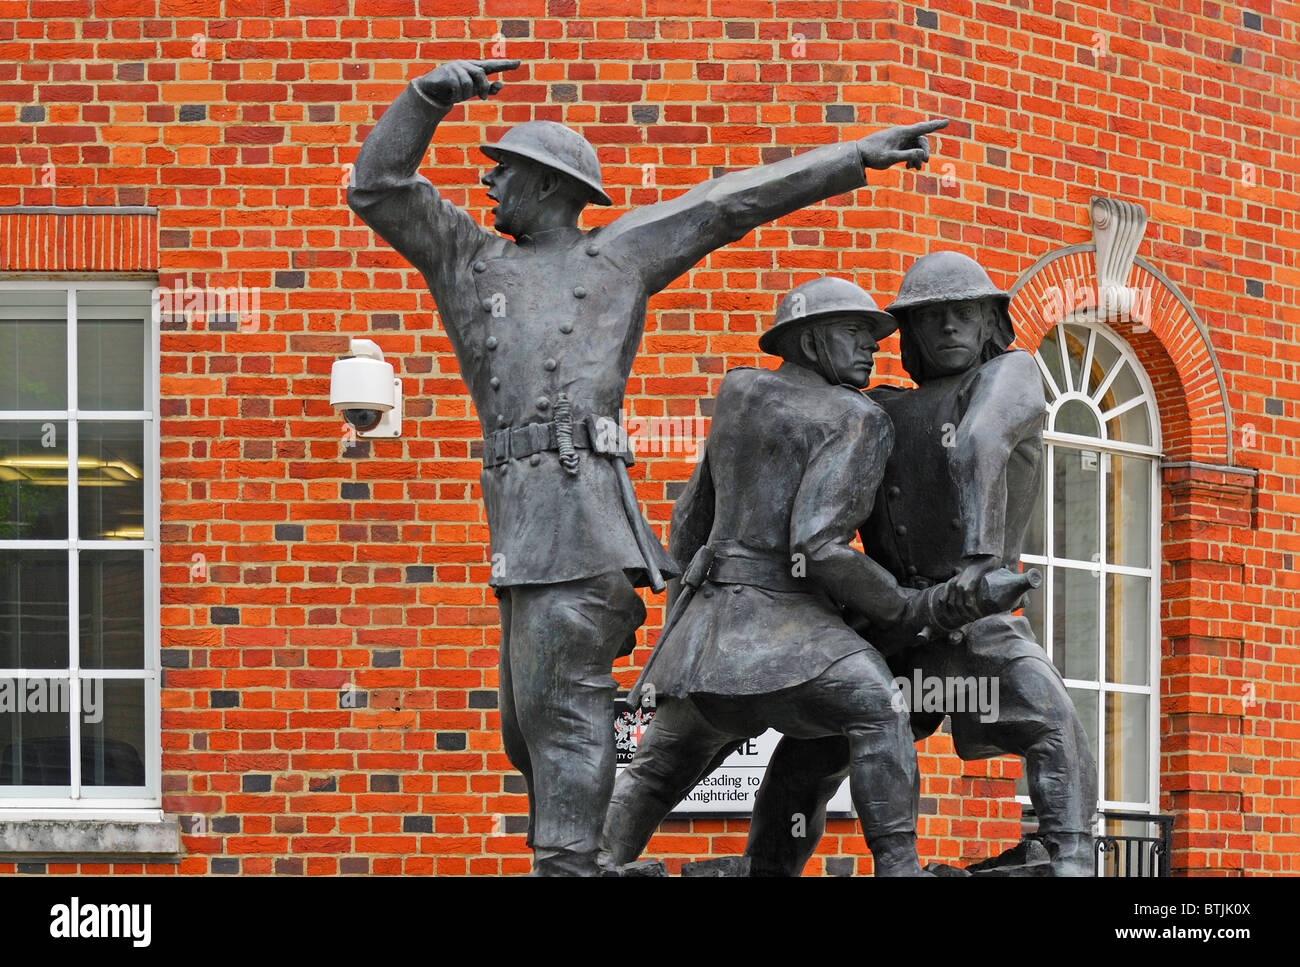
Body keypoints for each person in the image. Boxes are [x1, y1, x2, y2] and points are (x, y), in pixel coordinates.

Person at [347, 57, 946, 875]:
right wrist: (426, 97)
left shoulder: (615, 259)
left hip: (583, 523)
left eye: (505, 171)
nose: (486, 182)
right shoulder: (467, 259)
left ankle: (571, 868)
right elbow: (377, 187)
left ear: (551, 187)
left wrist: (855, 158)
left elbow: (728, 201)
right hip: (518, 535)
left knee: (563, 724)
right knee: (523, 731)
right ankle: (593, 859)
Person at [599, 278, 1011, 876]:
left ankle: (585, 864)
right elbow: (818, 546)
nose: (871, 347)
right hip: (786, 626)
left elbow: (689, 520)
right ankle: (899, 868)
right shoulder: (856, 416)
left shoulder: (739, 391)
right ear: (811, 341)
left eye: (874, 337)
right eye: (854, 334)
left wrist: (692, 616)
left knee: (657, 771)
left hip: (708, 630)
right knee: (878, 709)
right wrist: (902, 606)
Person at [747, 251, 1098, 876]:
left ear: (991, 321)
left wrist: (981, 561)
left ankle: (1070, 860)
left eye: (963, 315)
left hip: (974, 611)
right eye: (930, 319)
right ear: (907, 334)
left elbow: (980, 441)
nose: (948, 329)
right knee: (810, 753)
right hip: (896, 619)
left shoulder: (1011, 373)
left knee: (1051, 722)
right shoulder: (880, 405)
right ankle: (765, 868)